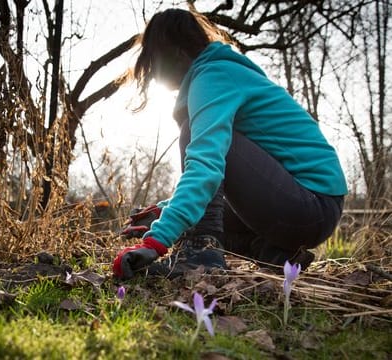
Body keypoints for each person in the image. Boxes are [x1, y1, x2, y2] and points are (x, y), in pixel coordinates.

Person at [112, 8, 347, 280]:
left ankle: (202, 251)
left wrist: (156, 242)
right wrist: (162, 212)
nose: (153, 75)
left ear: (174, 53)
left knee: (194, 134)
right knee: (195, 199)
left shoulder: (212, 76)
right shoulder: (222, 73)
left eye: (154, 62)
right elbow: (220, 180)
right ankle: (273, 253)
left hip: (309, 205)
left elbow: (205, 166)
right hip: (309, 208)